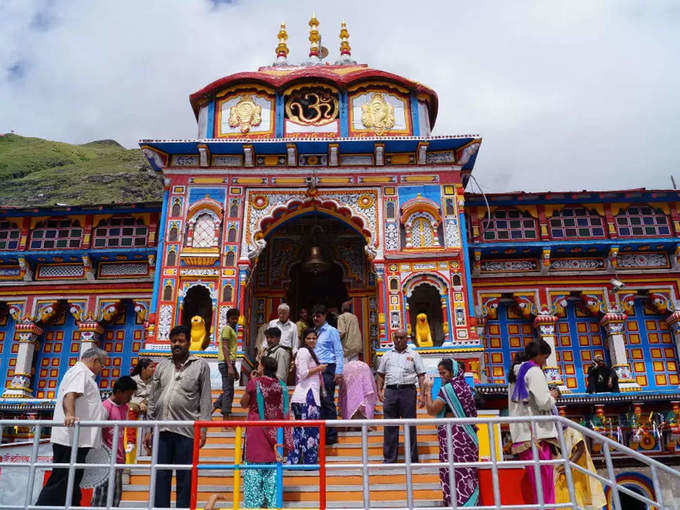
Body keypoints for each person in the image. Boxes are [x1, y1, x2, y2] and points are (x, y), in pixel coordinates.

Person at [145, 325, 212, 510]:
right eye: (173, 341)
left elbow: (206, 399)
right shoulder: (162, 366)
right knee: (160, 475)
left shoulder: (200, 365)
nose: (177, 344)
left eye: (181, 341)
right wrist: (150, 428)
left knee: (185, 477)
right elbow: (153, 397)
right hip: (162, 428)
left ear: (189, 342)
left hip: (186, 430)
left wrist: (203, 430)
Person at [36, 347, 108, 507]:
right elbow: (70, 395)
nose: (102, 369)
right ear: (95, 360)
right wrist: (69, 414)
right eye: (102, 365)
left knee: (72, 479)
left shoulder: (83, 374)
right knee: (61, 479)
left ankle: (72, 505)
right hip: (70, 438)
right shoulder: (81, 372)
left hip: (78, 439)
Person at [508, 340, 560, 507]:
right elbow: (543, 402)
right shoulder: (534, 371)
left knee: (536, 482)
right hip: (537, 434)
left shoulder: (516, 372)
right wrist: (553, 396)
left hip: (522, 434)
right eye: (545, 357)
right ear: (538, 355)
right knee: (544, 482)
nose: (545, 362)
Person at [423, 359, 479, 507]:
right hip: (468, 437)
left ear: (452, 372)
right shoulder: (466, 387)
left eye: (444, 373)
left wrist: (428, 390)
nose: (442, 377)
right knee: (467, 471)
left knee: (454, 471)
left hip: (455, 438)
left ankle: (457, 502)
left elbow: (432, 409)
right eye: (440, 374)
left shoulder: (448, 389)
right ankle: (469, 502)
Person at [240, 356, 292, 508]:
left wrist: (252, 380)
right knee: (273, 473)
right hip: (276, 434)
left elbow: (243, 404)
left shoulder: (254, 384)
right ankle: (274, 505)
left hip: (256, 431)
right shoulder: (281, 386)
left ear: (262, 367)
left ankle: (253, 505)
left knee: (254, 473)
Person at [376, 329, 426, 464]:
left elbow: (421, 375)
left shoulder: (414, 355)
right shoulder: (386, 355)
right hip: (391, 391)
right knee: (390, 426)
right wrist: (379, 391)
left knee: (410, 425)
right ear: (393, 338)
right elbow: (380, 374)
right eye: (396, 337)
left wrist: (422, 394)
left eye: (402, 338)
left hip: (408, 391)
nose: (399, 340)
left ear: (407, 339)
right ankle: (389, 459)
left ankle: (412, 459)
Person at [91, 375, 138, 508]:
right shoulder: (105, 408)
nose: (130, 398)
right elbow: (97, 434)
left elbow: (121, 435)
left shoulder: (124, 408)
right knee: (102, 497)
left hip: (118, 460)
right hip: (105, 460)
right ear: (119, 392)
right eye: (128, 395)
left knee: (116, 496)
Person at [288, 328, 325, 464]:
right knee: (309, 431)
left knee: (299, 431)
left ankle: (296, 460)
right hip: (306, 396)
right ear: (304, 340)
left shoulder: (311, 352)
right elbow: (303, 373)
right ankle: (308, 461)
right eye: (308, 338)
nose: (311, 340)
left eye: (314, 338)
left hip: (306, 395)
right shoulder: (304, 351)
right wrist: (319, 368)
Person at [312, 304, 344, 445]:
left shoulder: (331, 331)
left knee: (327, 400)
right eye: (314, 316)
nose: (316, 318)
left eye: (318, 315)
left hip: (327, 368)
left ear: (324, 316)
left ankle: (331, 435)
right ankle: (320, 434)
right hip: (315, 369)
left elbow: (338, 351)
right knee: (316, 401)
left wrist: (338, 371)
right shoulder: (313, 332)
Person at [555, 427, 606, 509]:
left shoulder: (572, 431)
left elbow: (580, 448)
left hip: (573, 474)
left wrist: (568, 465)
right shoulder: (553, 432)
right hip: (558, 473)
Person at [214, 308, 240, 418]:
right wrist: (229, 366)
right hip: (225, 363)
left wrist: (234, 369)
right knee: (228, 390)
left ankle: (214, 407)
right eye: (233, 318)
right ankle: (225, 416)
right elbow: (224, 346)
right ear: (228, 319)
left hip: (229, 362)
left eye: (236, 319)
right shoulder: (227, 329)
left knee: (228, 389)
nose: (235, 321)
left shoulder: (232, 330)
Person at [128, 358, 154, 461]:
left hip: (150, 407)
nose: (153, 369)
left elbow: (156, 396)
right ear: (143, 369)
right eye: (151, 367)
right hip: (135, 406)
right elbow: (129, 396)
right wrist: (139, 403)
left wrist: (146, 402)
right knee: (131, 410)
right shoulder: (133, 380)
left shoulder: (155, 381)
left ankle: (149, 443)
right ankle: (131, 441)